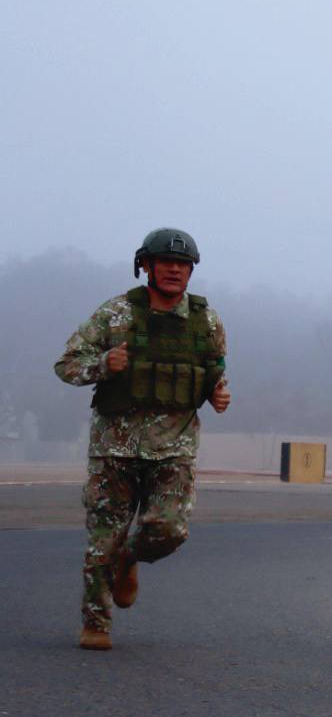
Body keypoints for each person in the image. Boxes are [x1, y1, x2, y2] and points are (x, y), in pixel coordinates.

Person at [54, 229, 230, 651]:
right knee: (103, 540)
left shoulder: (206, 321)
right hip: (113, 449)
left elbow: (213, 372)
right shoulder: (116, 313)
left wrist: (218, 394)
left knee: (170, 530)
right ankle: (96, 624)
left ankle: (129, 559)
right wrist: (103, 363)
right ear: (146, 265)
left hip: (174, 449)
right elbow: (66, 365)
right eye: (165, 262)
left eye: (182, 264)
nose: (174, 270)